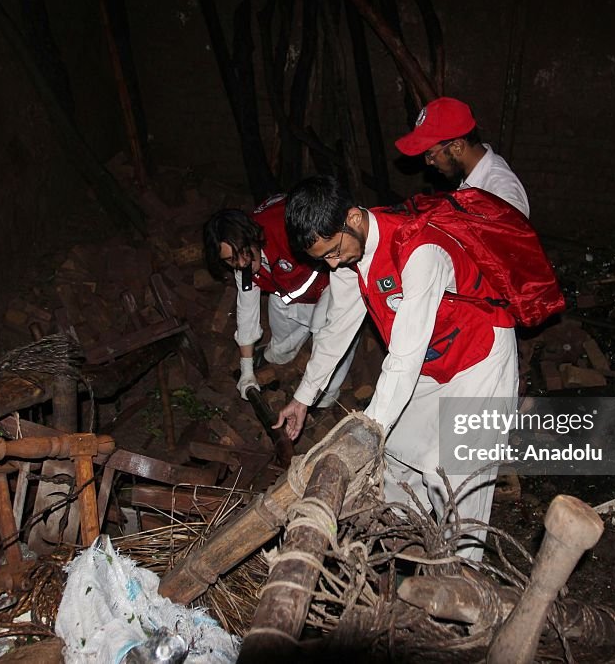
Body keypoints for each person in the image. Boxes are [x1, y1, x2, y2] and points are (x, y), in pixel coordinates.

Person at [274, 176, 522, 561]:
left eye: (334, 252)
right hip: (432, 359)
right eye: (323, 258)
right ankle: (394, 553)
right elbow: (336, 329)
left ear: (354, 217)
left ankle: (463, 573)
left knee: (452, 478)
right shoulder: (345, 255)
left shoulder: (419, 251)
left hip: (480, 360)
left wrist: (367, 431)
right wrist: (303, 398)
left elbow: (403, 357)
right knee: (396, 459)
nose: (333, 264)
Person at [202, 196, 355, 406]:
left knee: (328, 326)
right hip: (297, 287)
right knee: (279, 307)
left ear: (252, 237)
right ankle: (282, 353)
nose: (241, 263)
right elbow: (247, 311)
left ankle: (325, 393)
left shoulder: (288, 232)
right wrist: (246, 369)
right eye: (230, 260)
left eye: (243, 253)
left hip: (336, 277)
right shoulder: (243, 262)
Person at [395, 96, 530, 218]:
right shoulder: (473, 176)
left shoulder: (502, 197)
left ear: (457, 147)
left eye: (430, 154)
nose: (428, 161)